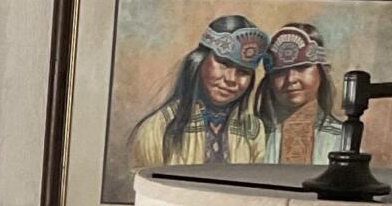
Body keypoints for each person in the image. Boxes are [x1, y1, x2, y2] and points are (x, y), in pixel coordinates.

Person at [127, 13, 269, 169]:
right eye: (223, 63)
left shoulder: (252, 130)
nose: (231, 79)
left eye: (243, 72)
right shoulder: (159, 127)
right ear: (199, 61)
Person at [261, 20, 348, 165]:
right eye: (280, 71)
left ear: (323, 71)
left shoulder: (344, 138)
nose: (291, 79)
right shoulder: (253, 135)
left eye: (302, 67)